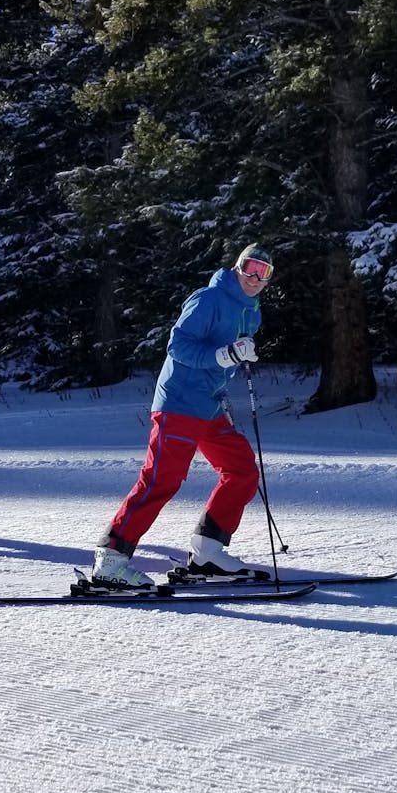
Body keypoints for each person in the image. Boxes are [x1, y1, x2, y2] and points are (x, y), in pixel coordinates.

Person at [90, 244, 273, 587]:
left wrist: (227, 370)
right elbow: (178, 345)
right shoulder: (208, 299)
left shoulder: (253, 312)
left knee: (242, 470)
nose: (255, 277)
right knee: (162, 478)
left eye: (264, 272)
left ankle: (208, 552)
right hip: (179, 402)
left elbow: (224, 364)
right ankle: (110, 559)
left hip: (209, 406)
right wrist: (224, 354)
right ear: (237, 267)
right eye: (250, 268)